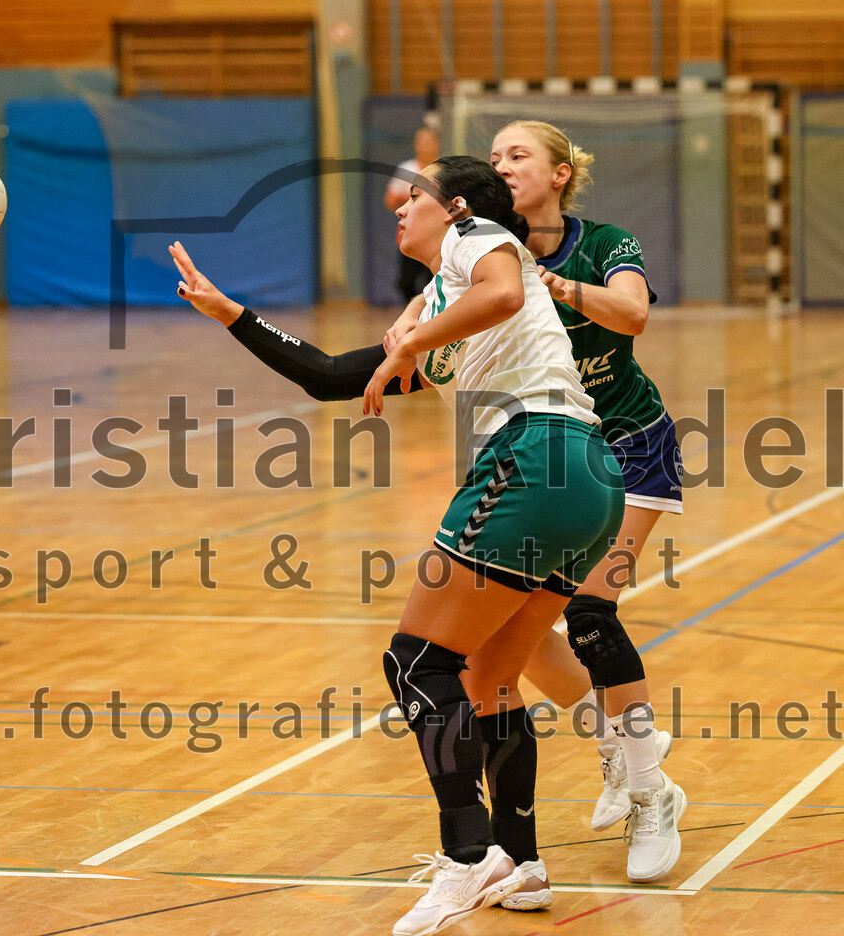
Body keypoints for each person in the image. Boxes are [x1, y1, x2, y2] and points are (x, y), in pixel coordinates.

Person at [170, 155, 625, 935]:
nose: (397, 209)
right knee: (491, 679)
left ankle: (465, 854)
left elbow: (505, 290)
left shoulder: (477, 241)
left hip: (535, 453)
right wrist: (230, 313)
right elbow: (329, 375)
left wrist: (410, 346)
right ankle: (520, 864)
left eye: (410, 197)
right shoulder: (446, 305)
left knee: (416, 660)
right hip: (589, 475)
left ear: (450, 209)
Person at [387, 119, 687, 892]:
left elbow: (632, 315)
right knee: (509, 652)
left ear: (561, 174)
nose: (503, 166)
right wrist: (410, 333)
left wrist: (550, 285)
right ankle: (619, 751)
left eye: (519, 154)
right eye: (494, 158)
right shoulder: (478, 245)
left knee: (590, 615)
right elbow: (434, 315)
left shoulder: (601, 242)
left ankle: (651, 790)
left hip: (625, 440)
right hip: (542, 452)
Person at [384, 126, 439, 304]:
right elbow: (389, 201)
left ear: (436, 144)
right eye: (420, 142)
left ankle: (433, 316)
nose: (424, 146)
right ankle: (413, 313)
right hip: (412, 234)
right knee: (405, 282)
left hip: (436, 236)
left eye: (428, 142)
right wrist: (411, 199)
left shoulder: (443, 169)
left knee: (435, 280)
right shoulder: (407, 169)